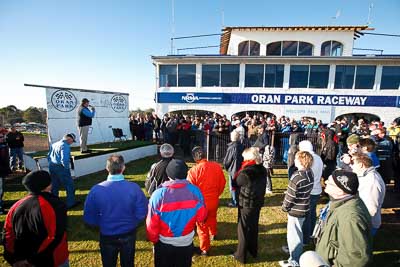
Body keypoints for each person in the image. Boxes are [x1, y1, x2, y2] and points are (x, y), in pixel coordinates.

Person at [83, 154, 148, 267]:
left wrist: (103, 224)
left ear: (107, 169)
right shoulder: (134, 188)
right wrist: (133, 222)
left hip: (107, 234)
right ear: (123, 168)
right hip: (128, 232)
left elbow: (89, 216)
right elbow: (142, 211)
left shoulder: (96, 190)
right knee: (128, 263)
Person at [146, 159, 207, 267]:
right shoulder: (195, 191)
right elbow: (202, 216)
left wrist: (154, 240)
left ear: (168, 174)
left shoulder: (158, 195)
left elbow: (151, 223)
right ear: (186, 173)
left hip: (164, 243)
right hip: (186, 242)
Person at [3, 170, 69, 267]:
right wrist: (33, 259)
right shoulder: (54, 205)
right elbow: (55, 236)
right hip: (52, 259)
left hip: (23, 260)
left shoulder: (15, 206)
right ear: (47, 185)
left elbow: (8, 234)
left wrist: (14, 259)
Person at [313, 170, 372, 266]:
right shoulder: (339, 203)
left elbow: (355, 258)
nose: (326, 182)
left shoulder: (350, 218)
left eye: (330, 182)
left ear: (341, 190)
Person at [187, 146, 226, 255]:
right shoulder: (216, 167)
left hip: (200, 204)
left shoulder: (193, 171)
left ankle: (205, 248)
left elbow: (190, 190)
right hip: (213, 201)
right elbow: (222, 183)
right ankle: (213, 233)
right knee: (212, 217)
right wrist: (217, 194)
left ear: (195, 159)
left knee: (201, 226)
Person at [232, 147, 267, 264]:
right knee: (253, 226)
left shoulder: (246, 172)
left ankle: (240, 255)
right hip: (257, 202)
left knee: (243, 229)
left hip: (247, 204)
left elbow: (235, 183)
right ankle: (253, 250)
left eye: (244, 158)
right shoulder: (262, 169)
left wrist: (238, 173)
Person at [280, 151, 314, 267]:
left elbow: (290, 196)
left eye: (296, 159)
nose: (294, 160)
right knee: (298, 233)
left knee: (294, 236)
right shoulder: (310, 173)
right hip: (305, 207)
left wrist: (284, 207)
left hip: (296, 210)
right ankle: (295, 255)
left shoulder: (297, 176)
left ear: (300, 161)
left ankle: (294, 260)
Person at [352, 154, 386, 236]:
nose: (352, 167)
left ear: (361, 165)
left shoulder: (371, 182)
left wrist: (359, 224)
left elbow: (371, 209)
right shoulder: (366, 176)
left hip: (367, 224)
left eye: (354, 164)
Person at [298, 140, 323, 246]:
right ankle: (312, 233)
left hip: (309, 190)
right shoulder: (318, 158)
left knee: (306, 215)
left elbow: (302, 174)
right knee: (312, 213)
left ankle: (304, 240)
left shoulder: (308, 159)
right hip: (316, 189)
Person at [48, 133, 80, 209]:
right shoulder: (65, 146)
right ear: (69, 139)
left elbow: (48, 156)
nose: (72, 143)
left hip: (52, 166)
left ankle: (54, 202)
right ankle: (70, 203)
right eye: (72, 141)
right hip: (61, 168)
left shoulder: (54, 144)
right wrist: (67, 170)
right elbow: (64, 160)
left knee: (55, 185)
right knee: (69, 185)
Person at [223, 131, 244, 207]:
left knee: (233, 186)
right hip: (240, 168)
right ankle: (238, 200)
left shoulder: (232, 147)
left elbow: (227, 161)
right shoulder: (242, 146)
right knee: (239, 186)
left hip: (233, 170)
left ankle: (234, 202)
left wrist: (226, 167)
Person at [0, 133, 11, 214]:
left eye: (3, 137)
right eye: (1, 137)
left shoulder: (4, 146)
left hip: (2, 171)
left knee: (1, 190)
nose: (3, 138)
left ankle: (1, 205)